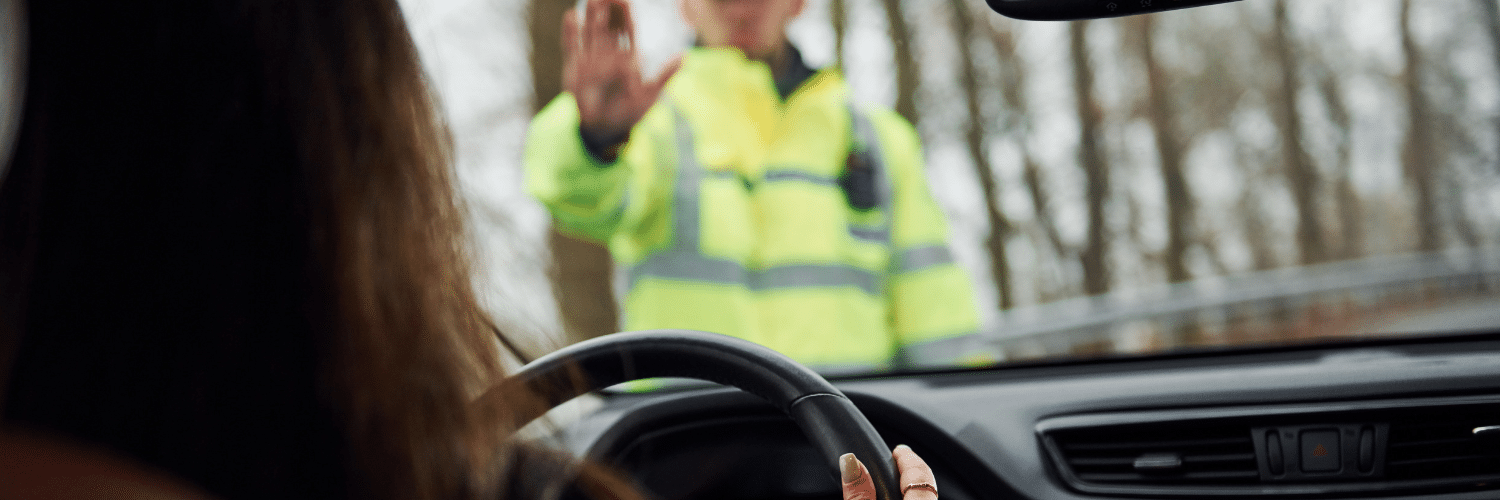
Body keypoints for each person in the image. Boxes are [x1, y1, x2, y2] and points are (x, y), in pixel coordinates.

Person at [0, 0, 938, 499]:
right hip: (694, 435)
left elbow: (932, 289)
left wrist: (940, 398)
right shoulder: (659, 115)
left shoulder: (873, 134)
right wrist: (600, 132)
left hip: (855, 426)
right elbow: (578, 190)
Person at [526, 0, 981, 372]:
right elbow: (576, 199)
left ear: (798, 4)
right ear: (687, 7)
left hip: (849, 443)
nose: (740, 4)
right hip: (689, 447)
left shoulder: (878, 139)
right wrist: (598, 137)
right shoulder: (652, 126)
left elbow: (936, 313)